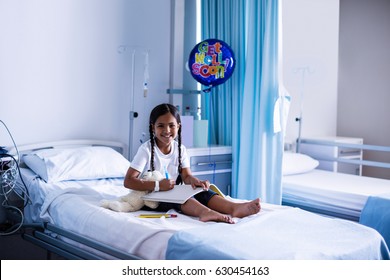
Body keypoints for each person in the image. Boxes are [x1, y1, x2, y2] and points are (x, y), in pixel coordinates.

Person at [124, 103, 261, 223]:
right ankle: (205, 212)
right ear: (153, 127)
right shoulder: (146, 150)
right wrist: (158, 185)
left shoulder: (180, 149)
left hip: (171, 192)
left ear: (178, 126)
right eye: (161, 126)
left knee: (201, 191)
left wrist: (195, 181)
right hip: (151, 199)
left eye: (171, 126)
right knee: (180, 197)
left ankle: (234, 208)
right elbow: (128, 181)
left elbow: (187, 177)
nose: (167, 130)